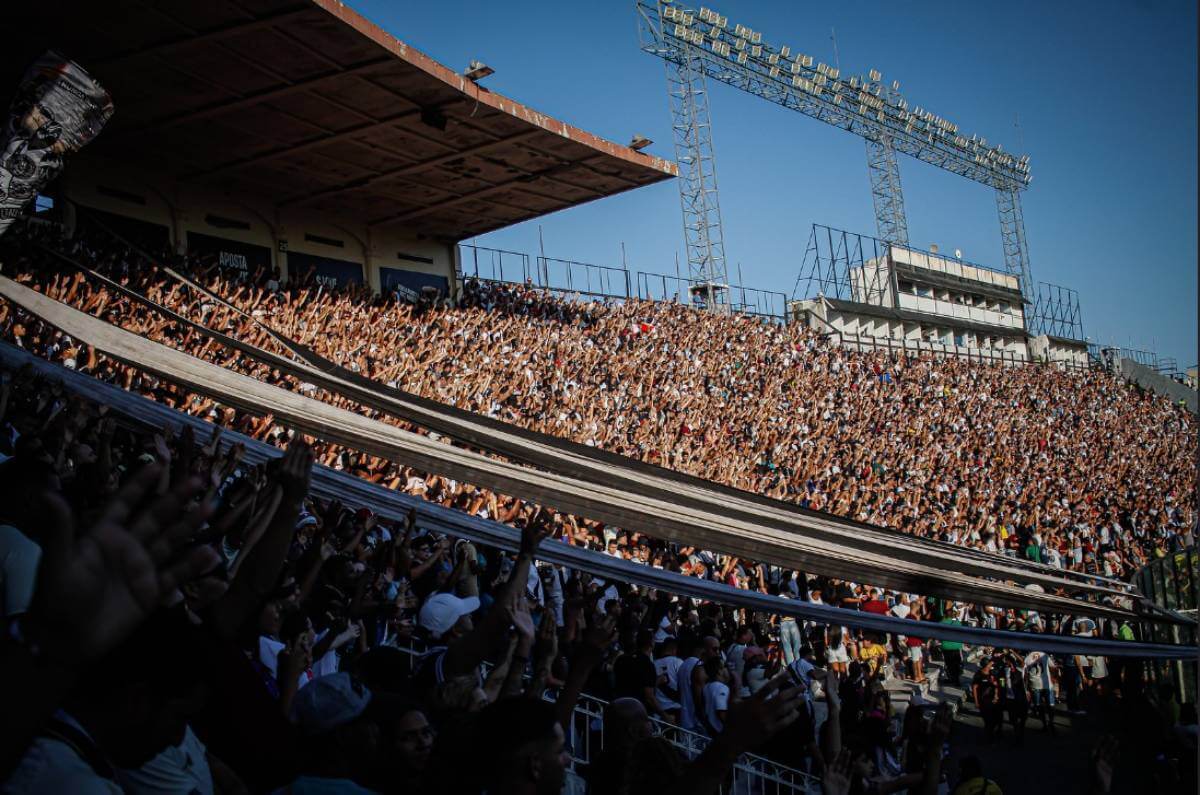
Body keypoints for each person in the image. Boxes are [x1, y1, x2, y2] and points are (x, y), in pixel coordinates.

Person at [972, 657, 1002, 743]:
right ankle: (988, 738)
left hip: (993, 701)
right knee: (988, 721)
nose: (991, 664)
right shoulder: (978, 675)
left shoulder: (993, 673)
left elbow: (997, 686)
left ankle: (990, 736)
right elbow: (974, 688)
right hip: (983, 701)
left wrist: (996, 695)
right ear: (986, 665)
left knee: (995, 720)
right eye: (989, 663)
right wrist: (976, 701)